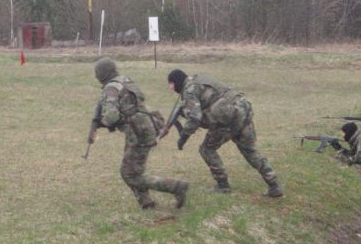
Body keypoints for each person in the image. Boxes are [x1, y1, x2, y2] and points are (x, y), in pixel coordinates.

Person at [89, 58, 189, 210]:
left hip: (138, 132)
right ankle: (146, 204)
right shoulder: (125, 80)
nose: (96, 76)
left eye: (97, 73)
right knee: (132, 170)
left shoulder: (111, 88)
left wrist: (99, 123)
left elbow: (112, 117)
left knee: (129, 175)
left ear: (102, 73)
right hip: (142, 128)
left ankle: (176, 186)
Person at [166, 69, 284, 198]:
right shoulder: (200, 79)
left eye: (170, 84)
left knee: (206, 149)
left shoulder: (189, 90)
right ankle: (275, 185)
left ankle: (223, 185)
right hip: (243, 110)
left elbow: (195, 118)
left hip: (228, 120)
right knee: (250, 151)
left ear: (175, 82)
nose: (170, 88)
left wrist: (183, 137)